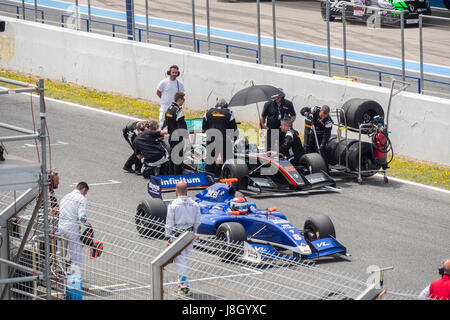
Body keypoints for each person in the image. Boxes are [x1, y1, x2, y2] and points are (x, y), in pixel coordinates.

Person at [164, 181, 201, 296]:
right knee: (185, 260)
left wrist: (168, 237)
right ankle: (183, 285)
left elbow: (169, 223)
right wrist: (195, 233)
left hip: (177, 235)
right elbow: (198, 221)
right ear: (187, 190)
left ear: (176, 190)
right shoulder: (194, 204)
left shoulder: (173, 204)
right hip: (189, 235)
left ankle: (183, 287)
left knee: (180, 261)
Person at [56, 182, 91, 277]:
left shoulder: (65, 196)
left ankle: (57, 272)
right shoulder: (82, 199)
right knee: (76, 253)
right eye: (85, 192)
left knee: (60, 251)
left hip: (61, 225)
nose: (85, 194)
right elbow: (82, 217)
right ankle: (75, 278)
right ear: (83, 190)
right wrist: (88, 225)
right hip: (72, 227)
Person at [202, 98, 238, 175]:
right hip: (224, 141)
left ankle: (208, 179)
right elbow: (234, 130)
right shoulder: (229, 113)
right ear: (225, 105)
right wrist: (234, 141)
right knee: (226, 161)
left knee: (210, 161)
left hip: (211, 139)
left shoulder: (207, 112)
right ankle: (224, 178)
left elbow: (204, 128)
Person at [164, 92, 188, 175]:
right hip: (178, 137)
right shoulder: (179, 111)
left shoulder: (169, 109)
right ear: (180, 99)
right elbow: (182, 127)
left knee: (171, 156)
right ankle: (177, 176)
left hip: (171, 136)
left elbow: (166, 122)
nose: (183, 101)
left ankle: (171, 174)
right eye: (183, 100)